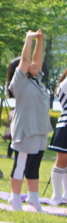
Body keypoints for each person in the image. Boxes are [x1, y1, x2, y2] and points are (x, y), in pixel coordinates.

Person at [7, 30, 50, 212]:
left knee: (34, 165)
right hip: (25, 130)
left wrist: (40, 40)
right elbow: (25, 60)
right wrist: (29, 38)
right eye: (29, 64)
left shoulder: (37, 81)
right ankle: (15, 199)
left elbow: (37, 59)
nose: (33, 64)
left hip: (40, 130)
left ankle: (33, 198)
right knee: (21, 165)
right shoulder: (20, 83)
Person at [48, 66, 67, 207]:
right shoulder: (65, 83)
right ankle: (56, 195)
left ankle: (64, 195)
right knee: (61, 160)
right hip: (65, 125)